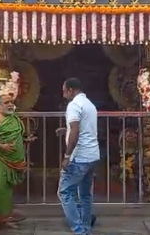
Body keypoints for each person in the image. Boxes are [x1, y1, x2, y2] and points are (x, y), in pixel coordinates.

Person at [0, 92, 34, 235]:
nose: (10, 105)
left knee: (7, 191)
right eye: (6, 103)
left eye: (11, 102)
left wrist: (26, 141)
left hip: (14, 161)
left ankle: (4, 221)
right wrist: (0, 146)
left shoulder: (15, 119)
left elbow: (18, 136)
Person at [57, 78, 100, 235]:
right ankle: (86, 228)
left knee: (64, 192)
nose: (63, 94)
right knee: (85, 194)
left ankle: (79, 230)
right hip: (92, 154)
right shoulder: (89, 104)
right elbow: (83, 128)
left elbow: (75, 131)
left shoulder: (74, 105)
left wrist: (67, 156)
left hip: (79, 156)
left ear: (71, 90)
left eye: (64, 90)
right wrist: (66, 131)